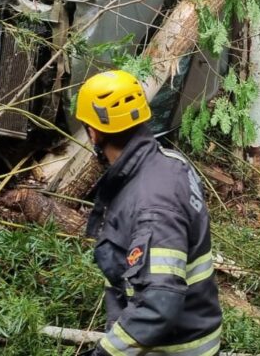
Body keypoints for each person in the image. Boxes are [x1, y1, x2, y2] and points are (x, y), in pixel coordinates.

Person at [76, 70, 222, 355]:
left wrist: (104, 352)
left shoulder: (151, 204)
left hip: (174, 348)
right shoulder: (169, 163)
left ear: (93, 132)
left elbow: (158, 305)